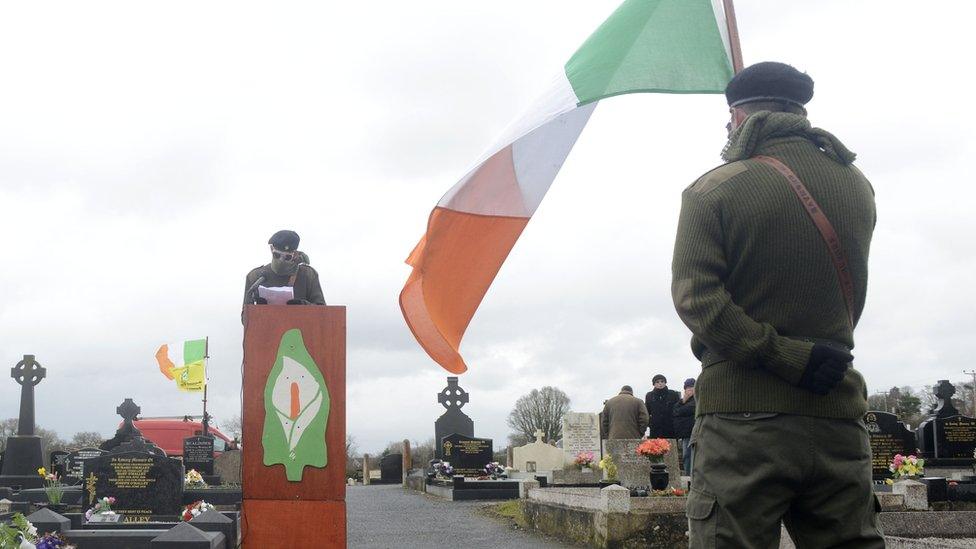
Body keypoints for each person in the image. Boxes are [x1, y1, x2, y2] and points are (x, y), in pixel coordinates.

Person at [671, 62, 882, 548]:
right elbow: (848, 298)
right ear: (798, 112)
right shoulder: (856, 185)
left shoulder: (713, 189)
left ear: (738, 117)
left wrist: (782, 356)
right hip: (837, 413)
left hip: (744, 421)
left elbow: (698, 302)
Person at [244, 230, 326, 307]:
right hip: (267, 321)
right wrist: (258, 309)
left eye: (287, 257)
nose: (281, 260)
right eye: (277, 255)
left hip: (301, 322)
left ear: (295, 254)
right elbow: (245, 318)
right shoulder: (255, 277)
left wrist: (303, 306)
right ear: (271, 249)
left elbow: (323, 312)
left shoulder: (308, 275)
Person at [671, 378, 696, 475]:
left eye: (692, 387)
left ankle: (691, 476)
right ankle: (688, 475)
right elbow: (675, 411)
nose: (690, 390)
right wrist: (682, 401)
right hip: (685, 433)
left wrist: (682, 405)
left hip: (694, 432)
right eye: (688, 388)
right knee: (686, 456)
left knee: (691, 455)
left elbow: (685, 410)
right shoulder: (682, 401)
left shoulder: (697, 400)